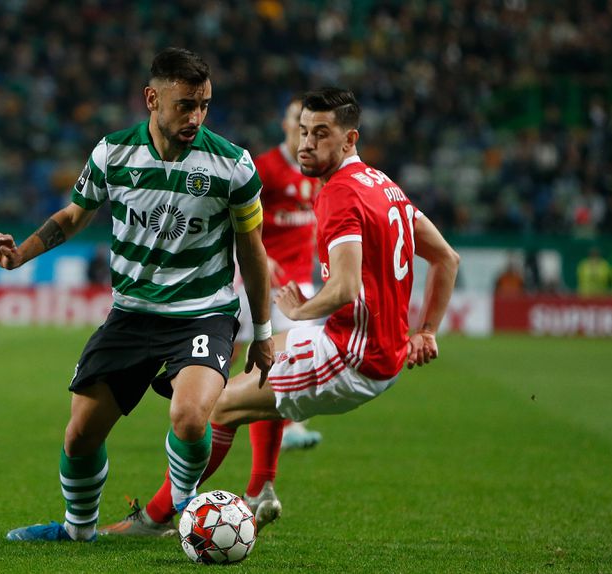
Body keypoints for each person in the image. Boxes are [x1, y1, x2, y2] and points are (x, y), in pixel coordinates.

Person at [100, 87, 460, 536]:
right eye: (303, 131)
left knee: (218, 409)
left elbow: (345, 287)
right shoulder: (383, 184)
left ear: (350, 140)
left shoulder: (340, 194)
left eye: (321, 134)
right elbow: (447, 258)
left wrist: (304, 307)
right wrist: (425, 331)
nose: (307, 143)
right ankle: (258, 490)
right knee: (261, 363)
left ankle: (151, 520)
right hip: (363, 342)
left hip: (352, 355)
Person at [0, 47, 274, 543]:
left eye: (204, 105)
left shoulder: (233, 166)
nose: (196, 117)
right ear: (151, 98)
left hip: (202, 315)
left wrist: (263, 333)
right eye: (185, 104)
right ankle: (79, 532)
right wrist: (19, 256)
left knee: (188, 415)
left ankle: (182, 518)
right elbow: (74, 216)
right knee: (79, 436)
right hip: (132, 316)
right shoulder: (112, 153)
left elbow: (253, 252)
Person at [238, 97, 323, 458]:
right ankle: (222, 410)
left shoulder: (317, 169)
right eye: (296, 121)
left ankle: (288, 424)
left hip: (299, 281)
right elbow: (238, 216)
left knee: (293, 353)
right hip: (259, 279)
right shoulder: (266, 168)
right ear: (287, 125)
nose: (302, 131)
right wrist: (263, 255)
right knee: (243, 353)